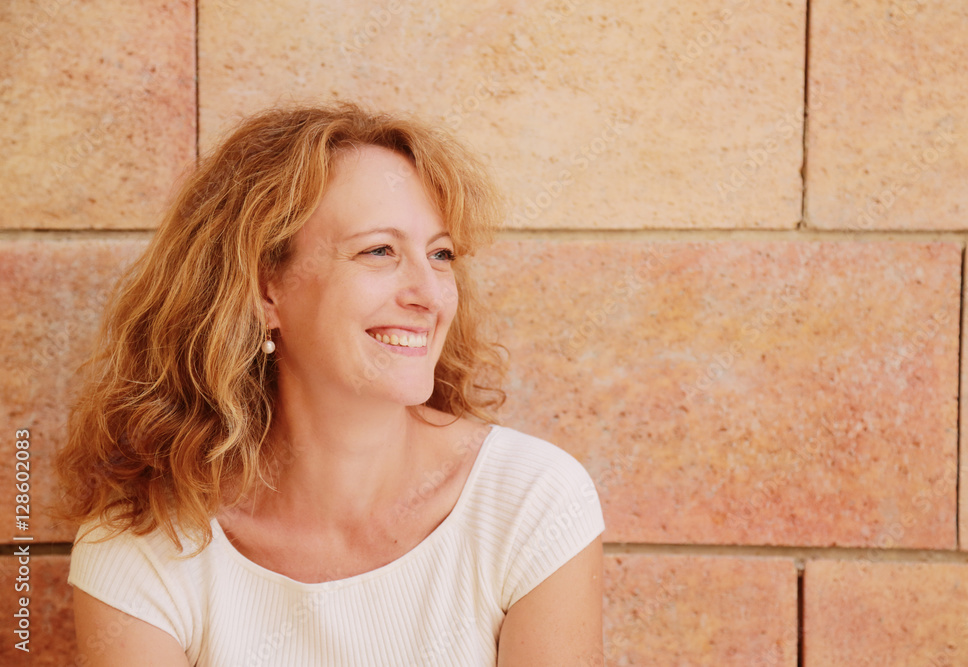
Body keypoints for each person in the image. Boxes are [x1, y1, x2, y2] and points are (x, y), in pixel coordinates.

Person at [56, 102, 606, 666]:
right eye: (379, 251)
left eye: (440, 255)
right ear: (266, 290)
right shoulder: (143, 541)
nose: (430, 293)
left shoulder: (531, 502)